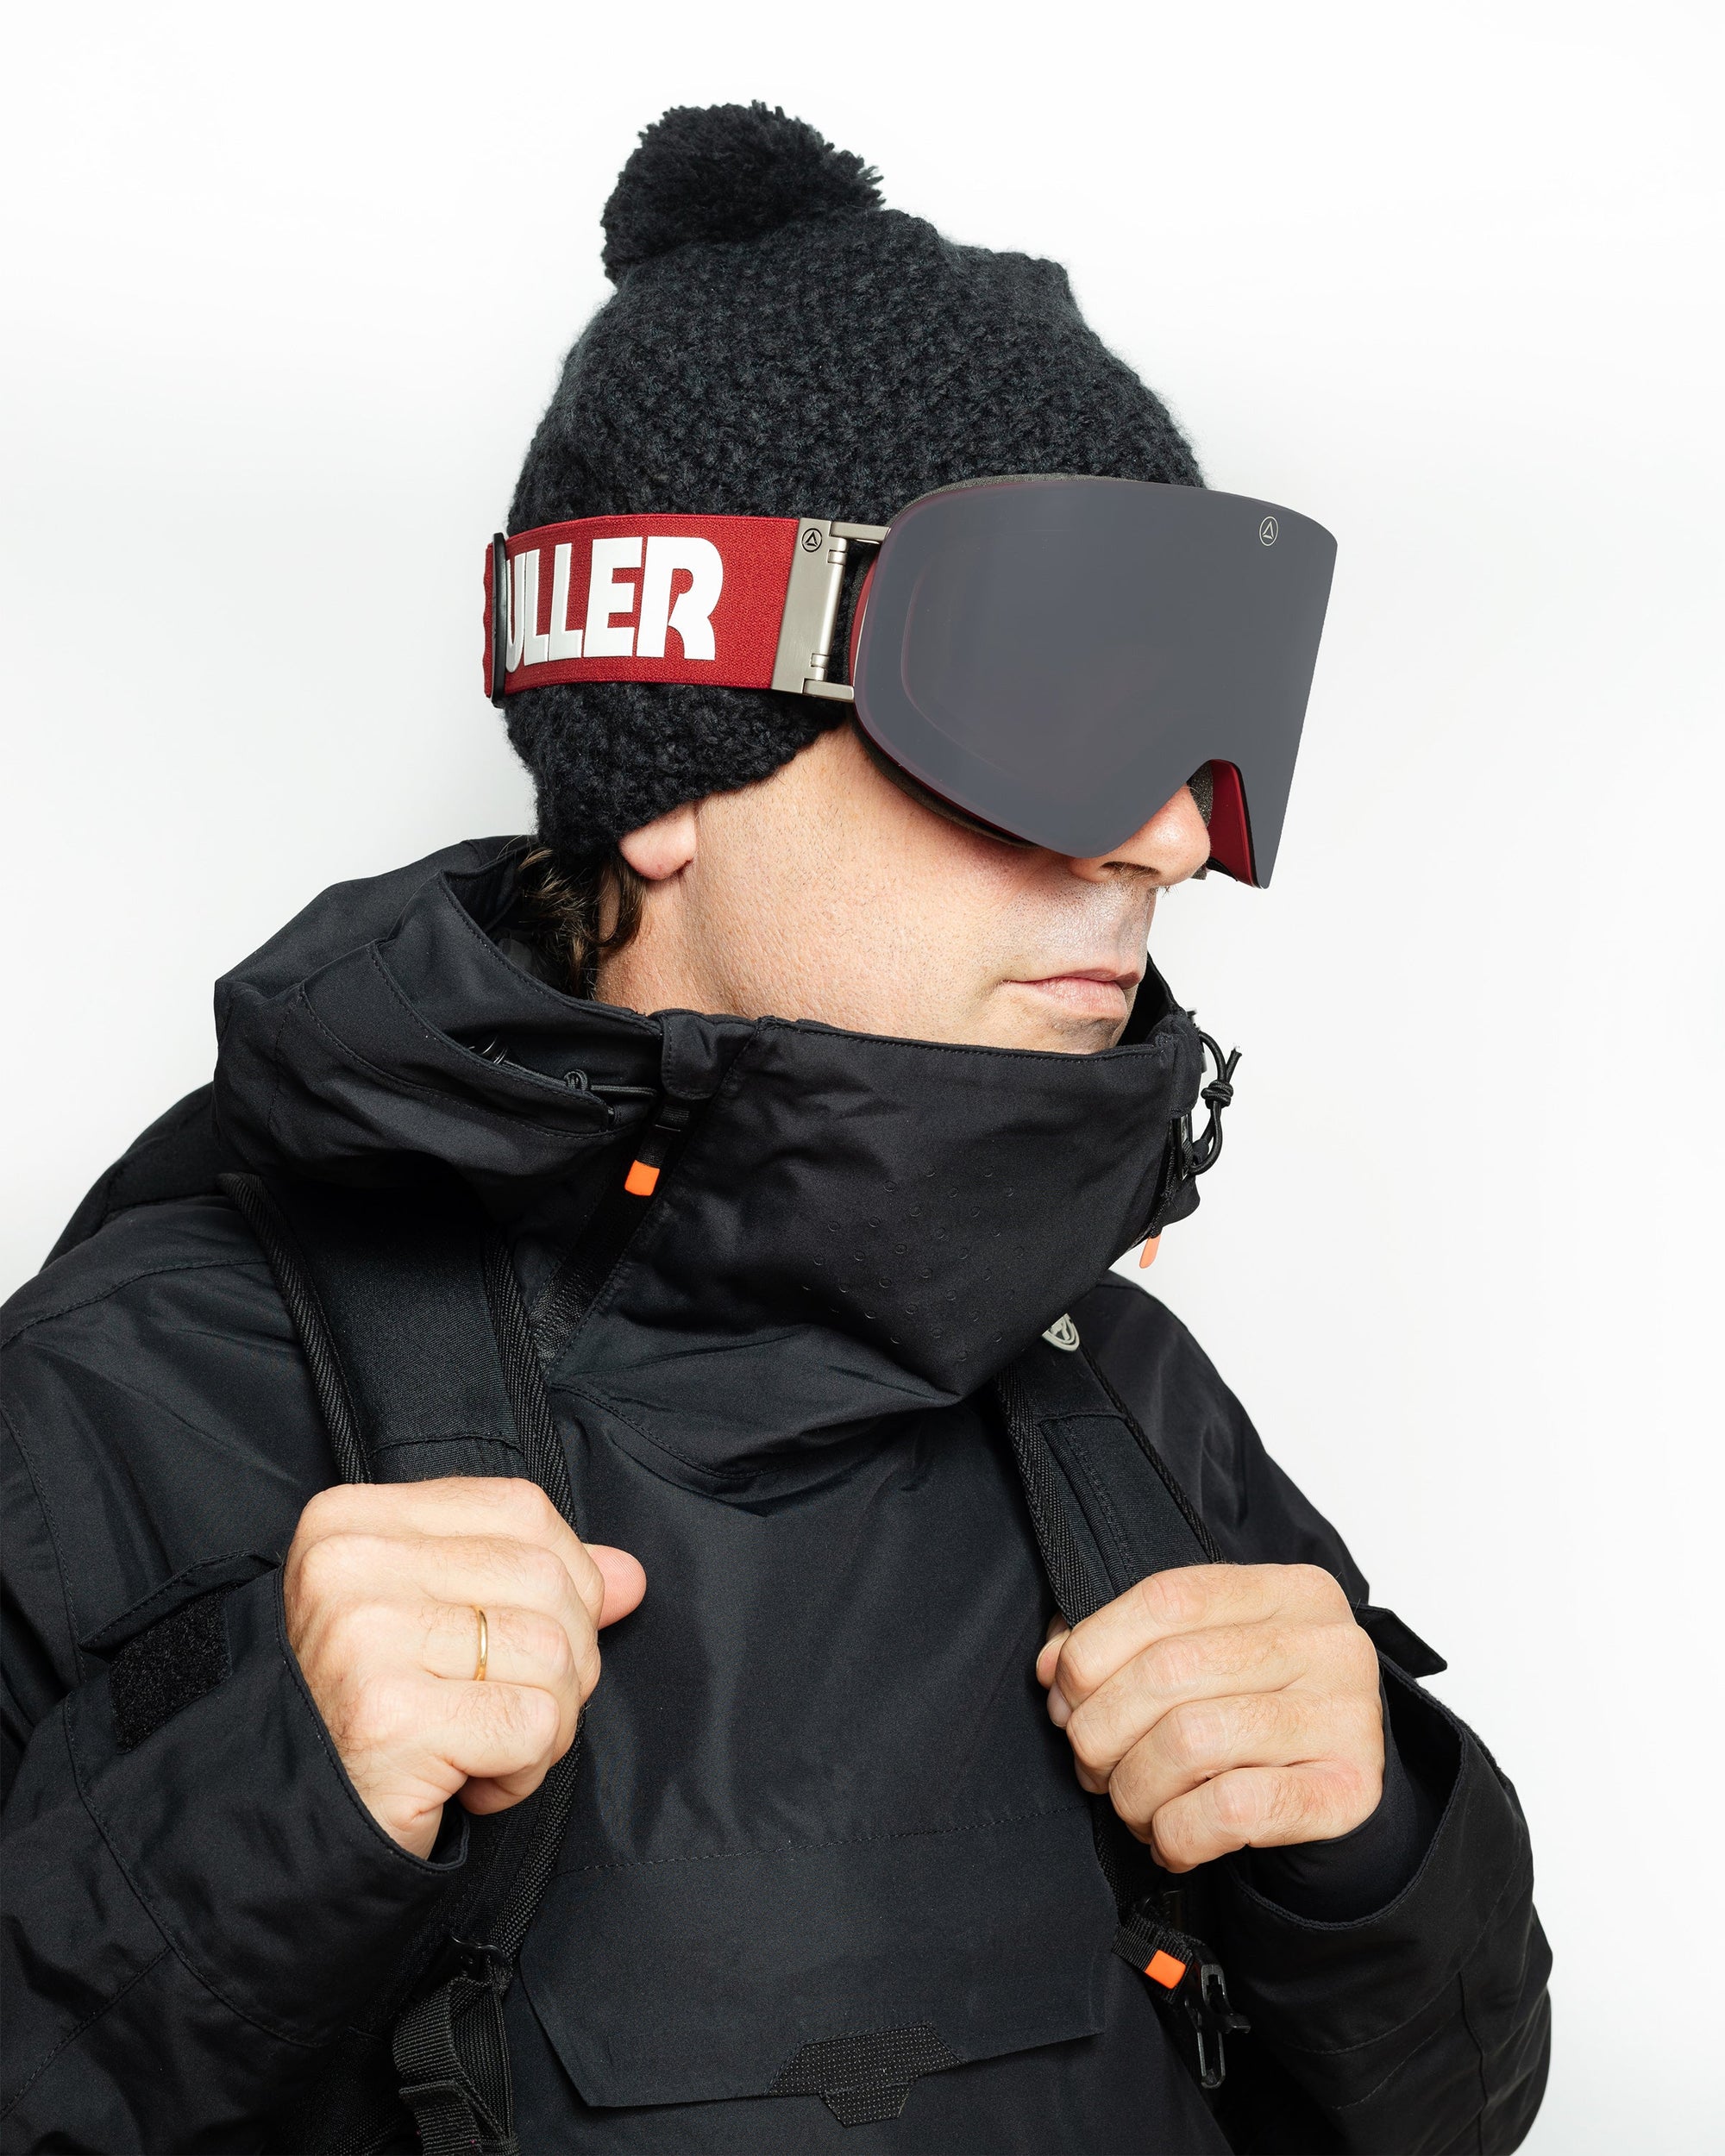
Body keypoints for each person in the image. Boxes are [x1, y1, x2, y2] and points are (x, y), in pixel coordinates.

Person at [0, 103, 1549, 2154]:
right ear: (669, 769)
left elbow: (1448, 2104)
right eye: (1056, 705)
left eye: (1198, 723)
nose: (1174, 837)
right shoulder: (129, 1399)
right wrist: (265, 1813)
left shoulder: (1118, 1400)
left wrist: (1372, 1851)